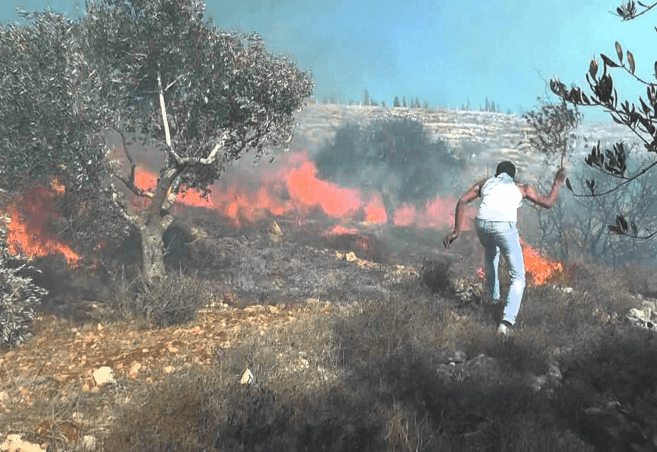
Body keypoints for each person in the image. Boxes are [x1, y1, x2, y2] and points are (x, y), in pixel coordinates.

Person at [442, 161, 567, 336]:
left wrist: (456, 231)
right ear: (512, 176)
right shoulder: (521, 187)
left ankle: (493, 300)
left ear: (497, 173)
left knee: (491, 255)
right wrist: (558, 183)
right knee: (518, 276)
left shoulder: (485, 183)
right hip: (504, 227)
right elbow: (547, 202)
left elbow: (463, 200)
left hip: (482, 224)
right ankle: (506, 323)